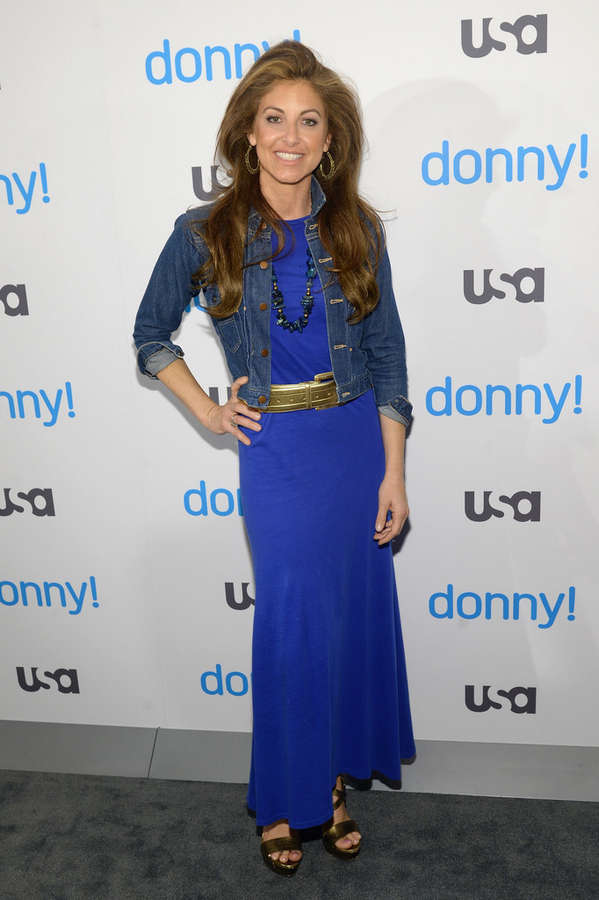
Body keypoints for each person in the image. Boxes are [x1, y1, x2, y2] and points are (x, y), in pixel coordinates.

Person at [133, 40, 415, 877]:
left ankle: (330, 786)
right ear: (248, 133)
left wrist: (393, 471)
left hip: (354, 442)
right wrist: (209, 411)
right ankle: (283, 800)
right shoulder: (204, 232)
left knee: (346, 622)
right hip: (279, 451)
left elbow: (388, 356)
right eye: (274, 119)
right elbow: (150, 335)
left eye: (309, 122)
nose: (290, 137)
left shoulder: (357, 227)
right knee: (293, 626)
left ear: (330, 140)